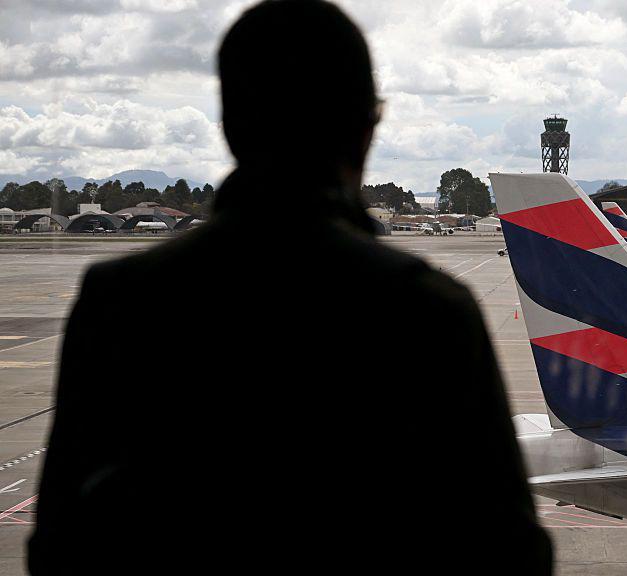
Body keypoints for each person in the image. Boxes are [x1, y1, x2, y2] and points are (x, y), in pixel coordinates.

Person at [28, 1, 551, 573]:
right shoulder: (428, 311)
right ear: (366, 128)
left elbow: (58, 544)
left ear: (231, 125)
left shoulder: (120, 300)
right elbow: (510, 549)